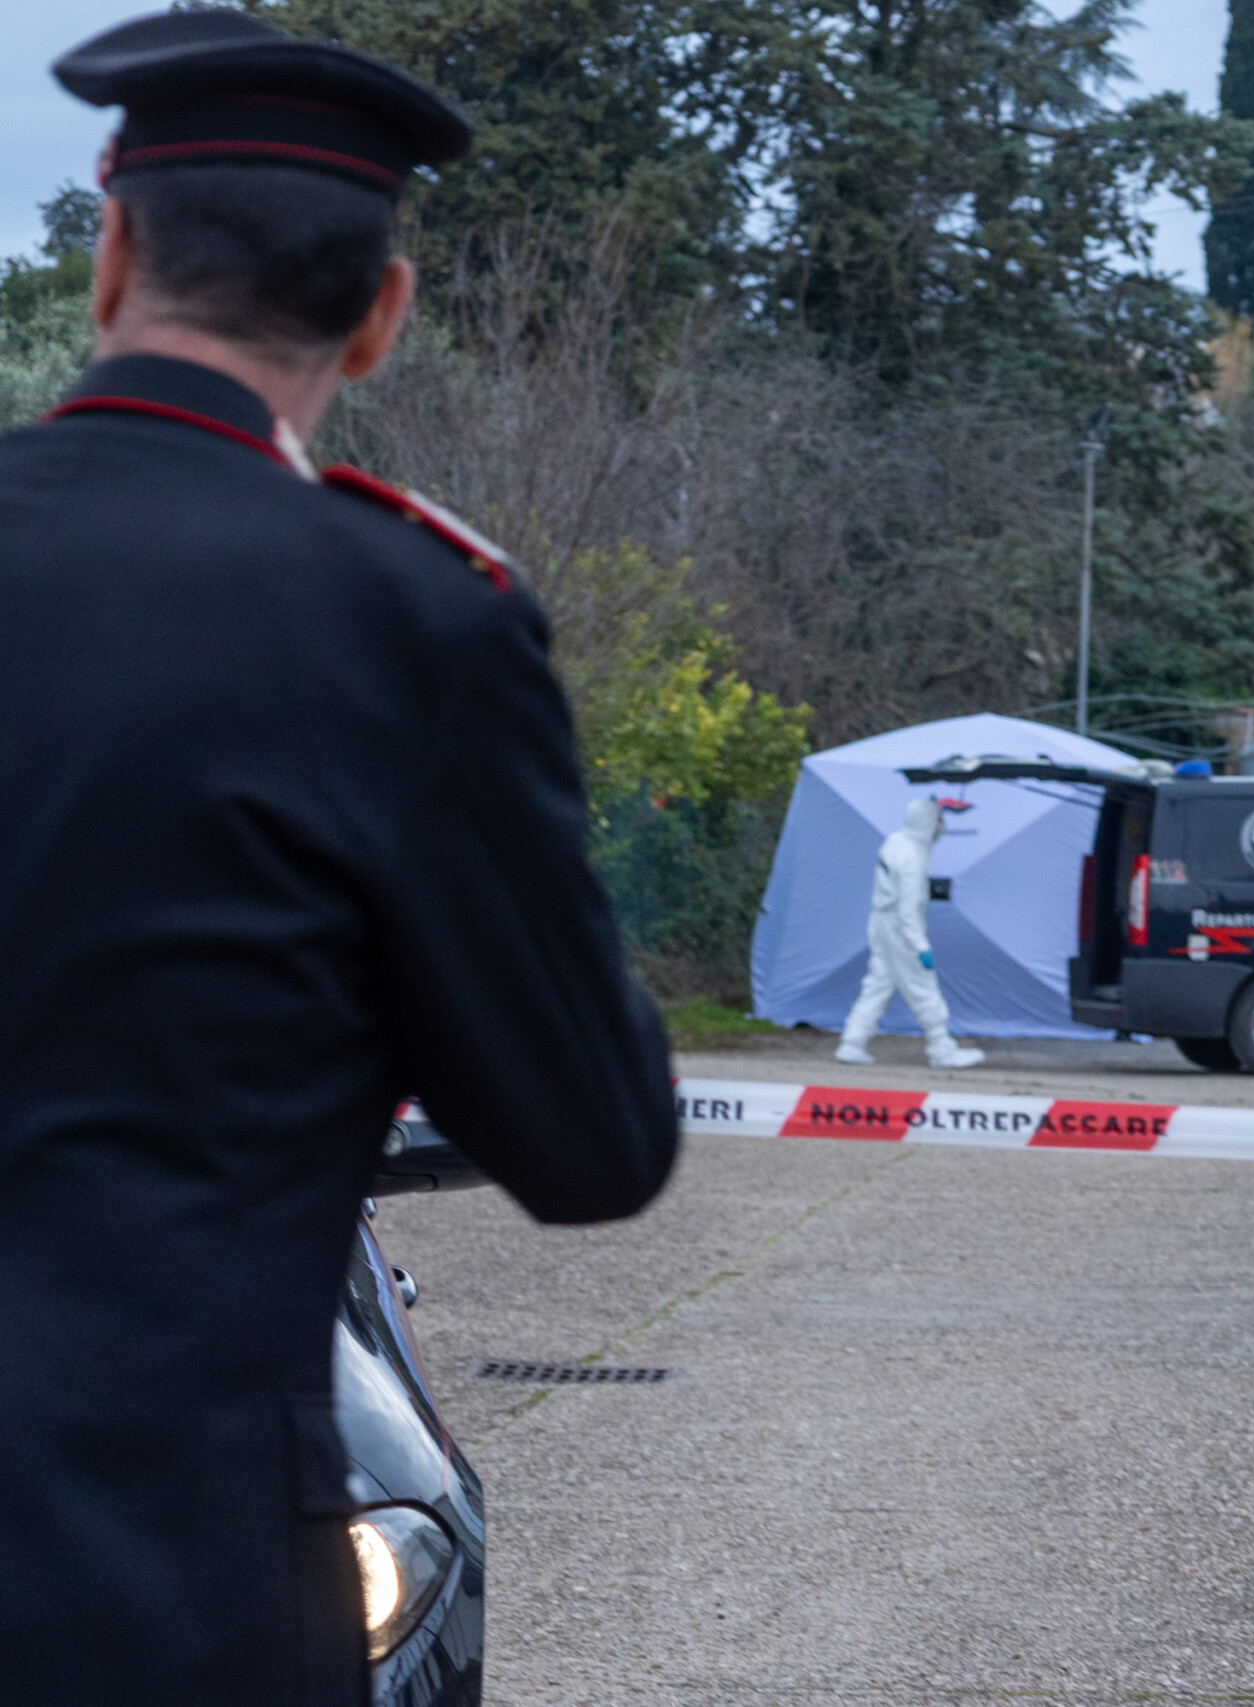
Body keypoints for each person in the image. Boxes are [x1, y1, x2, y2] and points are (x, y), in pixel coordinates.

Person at [0, 13, 684, 1705]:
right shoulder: (414, 628)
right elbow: (594, 1144)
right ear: (380, 318)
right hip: (166, 1597)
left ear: (111, 256)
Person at [838, 794, 986, 1068]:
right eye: (938, 819)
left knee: (878, 983)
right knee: (923, 985)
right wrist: (920, 947)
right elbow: (909, 909)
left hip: (881, 922)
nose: (941, 826)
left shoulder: (895, 842)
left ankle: (852, 1041)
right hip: (900, 928)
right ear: (928, 822)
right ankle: (941, 1047)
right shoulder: (913, 857)